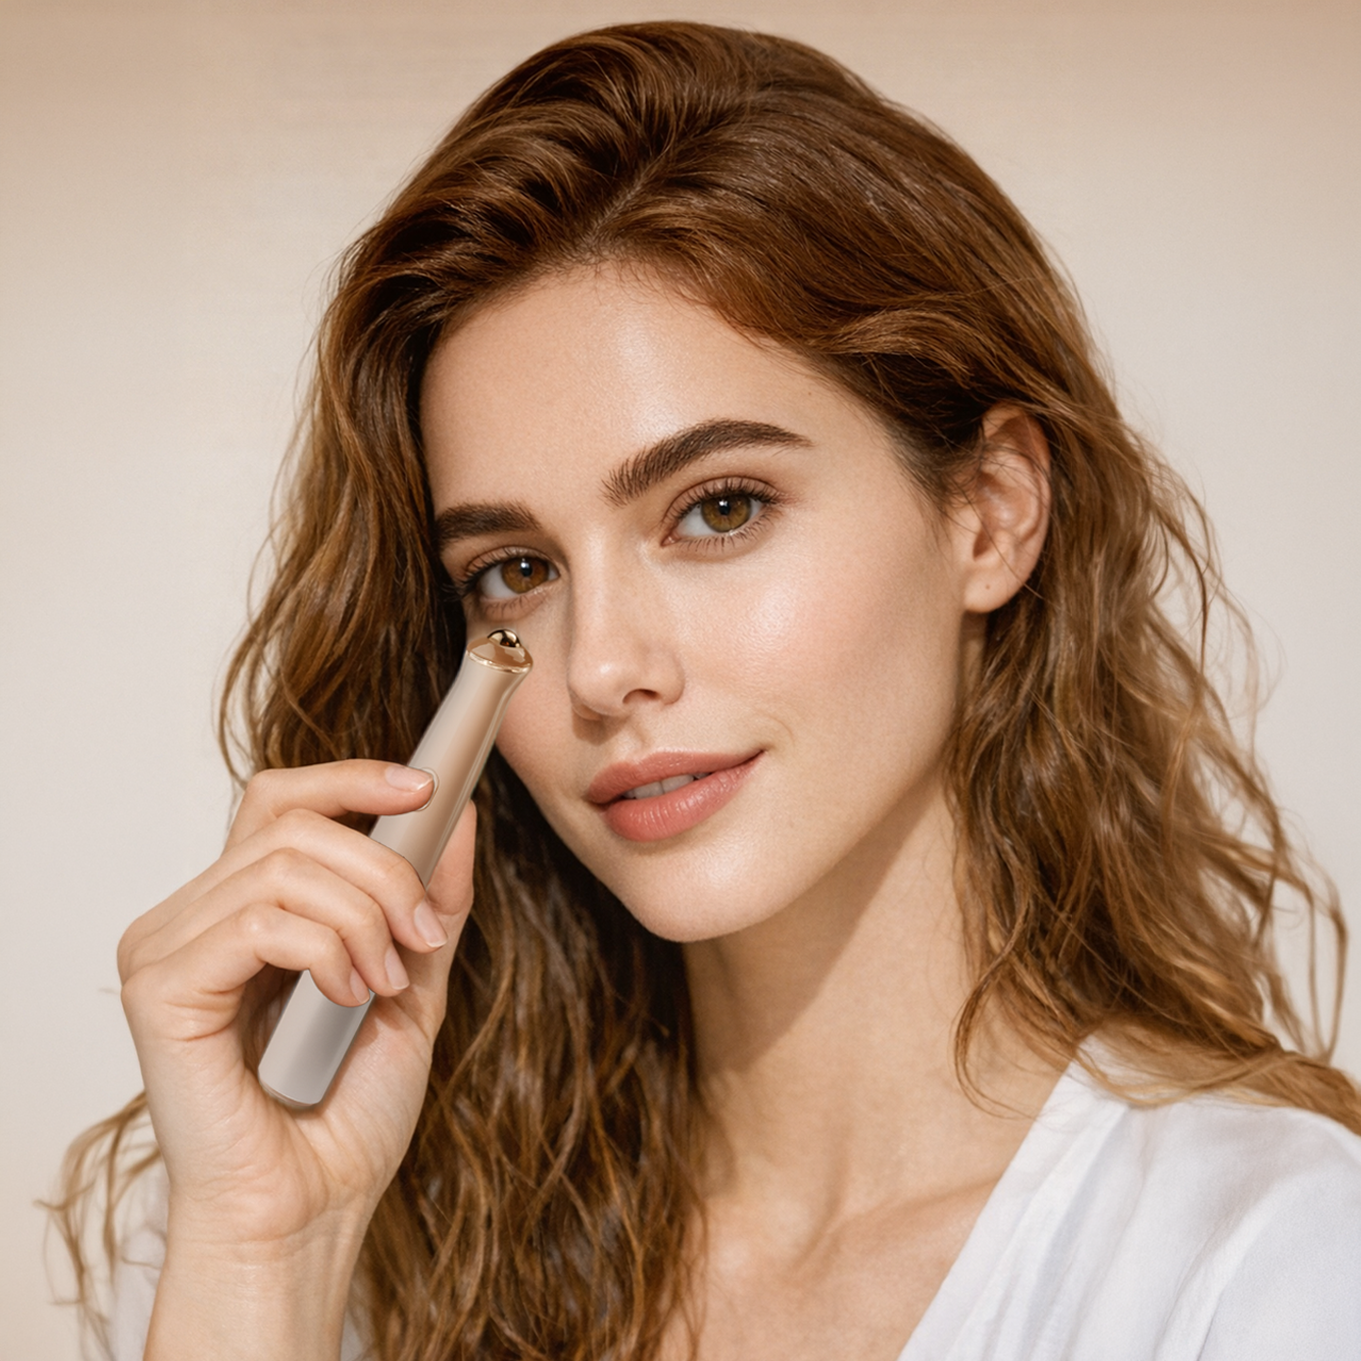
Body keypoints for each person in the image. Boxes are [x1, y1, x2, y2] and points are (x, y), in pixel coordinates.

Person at [52, 20, 1361, 1361]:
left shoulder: (1261, 1262)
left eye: (719, 509)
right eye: (515, 571)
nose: (601, 668)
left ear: (988, 511)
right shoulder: (302, 1227)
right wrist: (267, 1255)